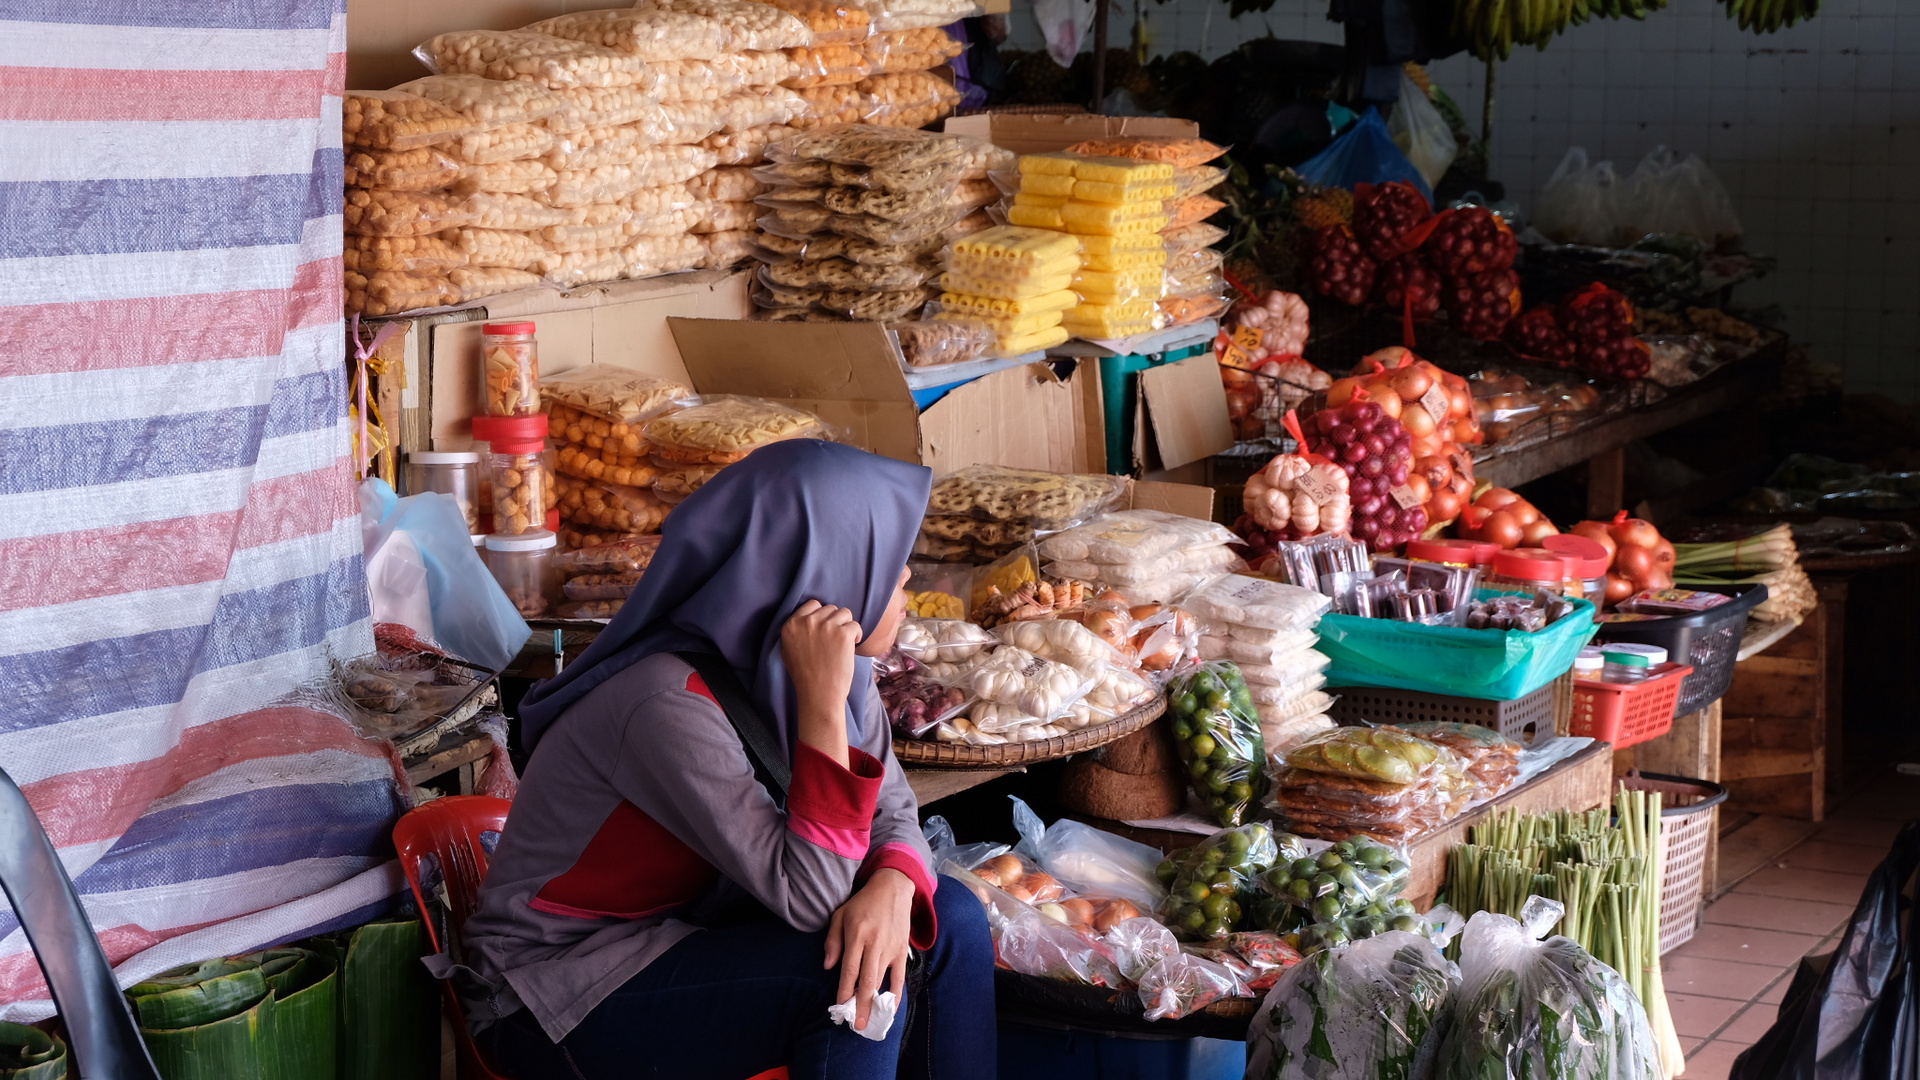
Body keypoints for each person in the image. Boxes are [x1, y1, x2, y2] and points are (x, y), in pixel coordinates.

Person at [450, 440, 996, 1080]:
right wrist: (820, 706)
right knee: (848, 977)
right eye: (886, 559)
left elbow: (896, 809)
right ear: (824, 568)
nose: (907, 580)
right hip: (560, 990)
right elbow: (813, 898)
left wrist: (892, 884)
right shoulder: (665, 703)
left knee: (950, 916)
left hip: (688, 937)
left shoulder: (837, 674)